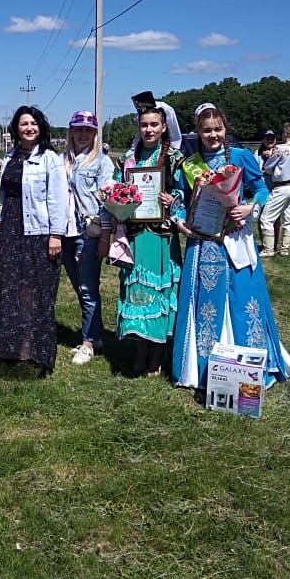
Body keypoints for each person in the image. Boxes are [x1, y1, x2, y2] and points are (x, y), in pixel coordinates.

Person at [170, 103, 290, 389]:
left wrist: (249, 208)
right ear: (198, 132)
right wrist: (179, 222)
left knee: (243, 297)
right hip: (203, 242)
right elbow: (179, 199)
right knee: (206, 303)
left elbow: (262, 188)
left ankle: (250, 364)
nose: (213, 135)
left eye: (217, 129)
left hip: (236, 239)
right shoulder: (190, 164)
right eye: (206, 130)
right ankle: (200, 369)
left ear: (225, 129)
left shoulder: (240, 156)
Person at [0, 106, 68, 375]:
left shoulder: (50, 159)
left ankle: (32, 350)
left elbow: (59, 200)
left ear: (41, 127)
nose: (29, 128)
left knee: (35, 292)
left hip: (38, 233)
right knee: (7, 288)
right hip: (10, 229)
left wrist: (56, 234)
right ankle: (8, 347)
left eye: (33, 123)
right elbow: (3, 194)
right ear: (16, 128)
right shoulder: (10, 156)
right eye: (24, 123)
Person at [109, 95, 184, 376]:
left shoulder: (174, 158)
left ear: (164, 126)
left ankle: (158, 353)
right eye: (144, 125)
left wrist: (172, 199)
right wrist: (118, 198)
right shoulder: (129, 159)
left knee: (160, 292)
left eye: (154, 124)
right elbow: (117, 187)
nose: (149, 130)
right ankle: (140, 349)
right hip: (137, 235)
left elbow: (188, 193)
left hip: (162, 237)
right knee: (137, 291)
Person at [60, 110, 115, 367]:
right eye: (78, 128)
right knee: (78, 285)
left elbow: (106, 202)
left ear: (95, 133)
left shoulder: (102, 162)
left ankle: (89, 341)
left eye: (88, 129)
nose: (83, 134)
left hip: (88, 231)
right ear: (71, 130)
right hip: (65, 231)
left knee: (88, 287)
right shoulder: (62, 160)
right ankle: (97, 335)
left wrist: (105, 235)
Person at [258, 122, 290, 258]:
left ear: (286, 134)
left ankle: (268, 249)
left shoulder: (280, 149)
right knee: (289, 219)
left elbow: (268, 167)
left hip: (282, 187)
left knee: (266, 218)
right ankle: (284, 248)